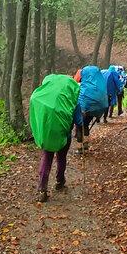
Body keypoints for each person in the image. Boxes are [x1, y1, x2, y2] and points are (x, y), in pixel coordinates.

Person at [28, 74, 82, 202]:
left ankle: (42, 188)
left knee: (47, 156)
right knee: (61, 157)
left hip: (48, 133)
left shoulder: (45, 98)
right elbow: (78, 120)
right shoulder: (71, 98)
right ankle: (60, 181)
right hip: (64, 133)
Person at [75, 65, 109, 154]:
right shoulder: (100, 84)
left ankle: (79, 148)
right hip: (97, 107)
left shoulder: (83, 85)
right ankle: (86, 145)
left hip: (84, 107)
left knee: (79, 126)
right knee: (86, 124)